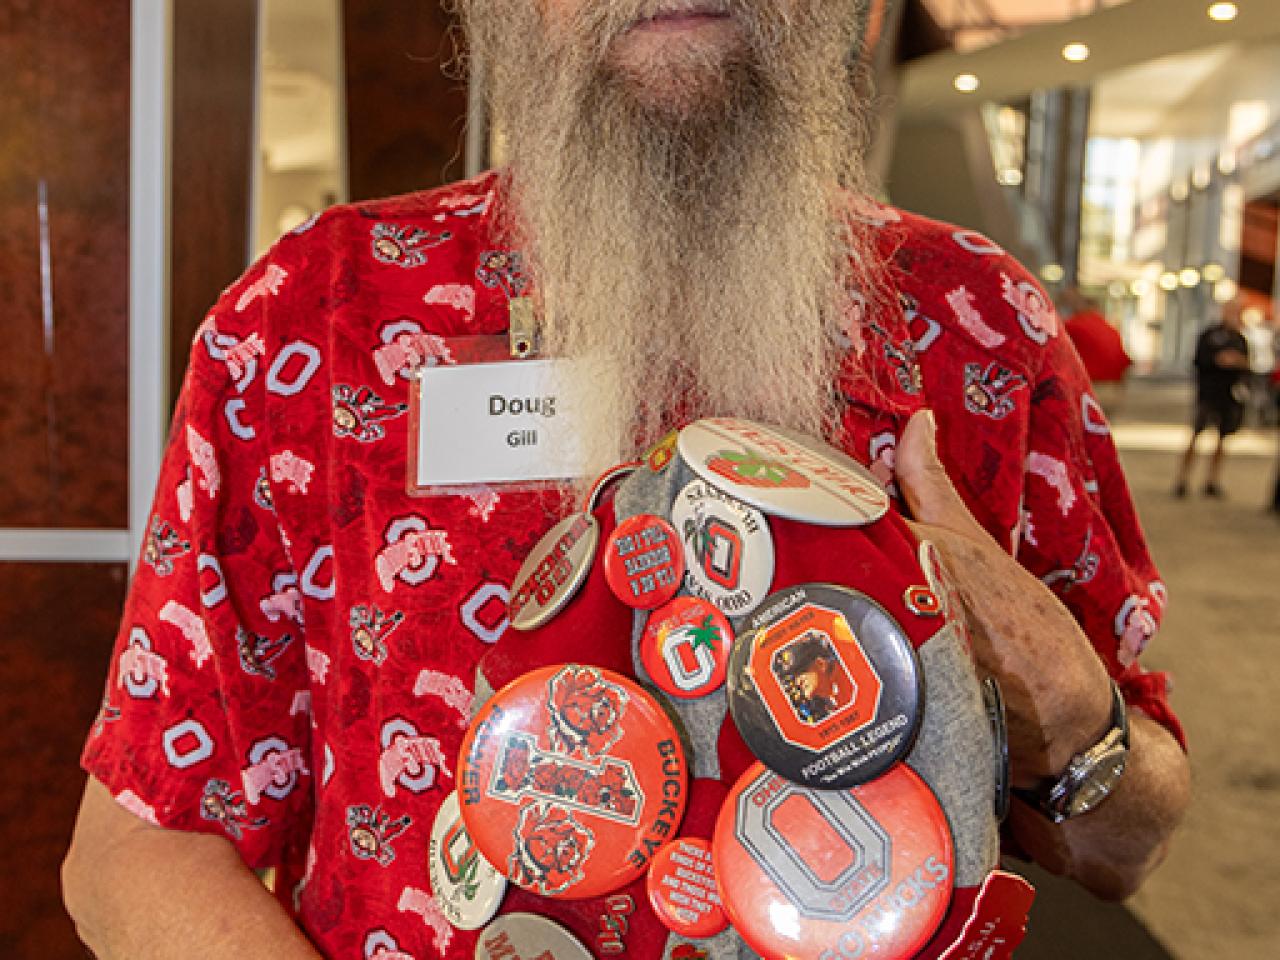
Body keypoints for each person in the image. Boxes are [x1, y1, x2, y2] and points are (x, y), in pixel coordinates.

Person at [62, 3, 1191, 959]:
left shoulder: (977, 321)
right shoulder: (316, 318)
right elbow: (136, 846)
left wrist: (1072, 716)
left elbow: (1125, 848)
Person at [1174, 298, 1252, 498]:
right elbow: (1198, 361)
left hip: (1229, 395)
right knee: (1196, 435)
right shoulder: (1209, 336)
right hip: (1209, 393)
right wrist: (1218, 360)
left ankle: (1212, 480)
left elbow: (1247, 366)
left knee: (1222, 439)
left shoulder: (1239, 339)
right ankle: (1182, 479)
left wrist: (1238, 362)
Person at [1061, 288, 1132, 418]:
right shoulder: (1109, 328)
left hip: (1087, 389)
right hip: (1111, 389)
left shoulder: (1073, 326)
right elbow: (1123, 360)